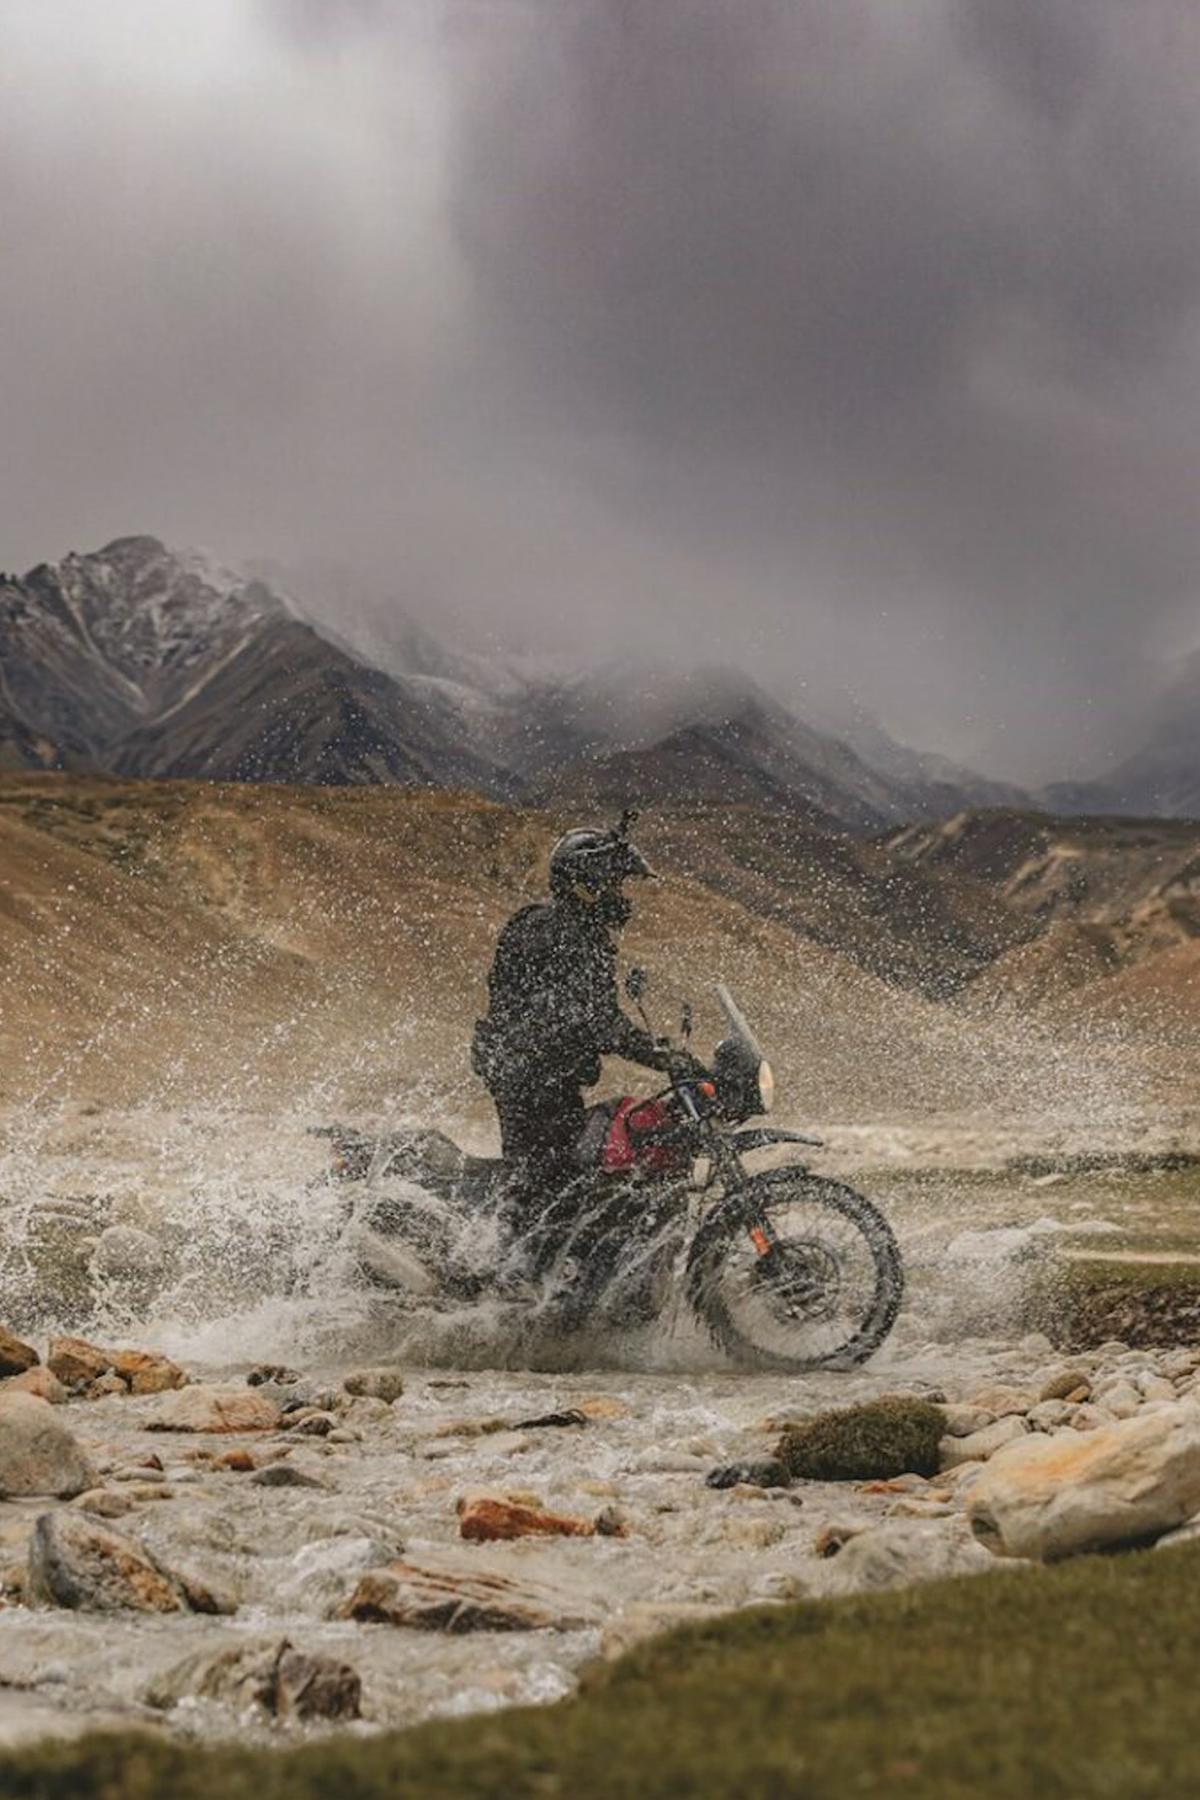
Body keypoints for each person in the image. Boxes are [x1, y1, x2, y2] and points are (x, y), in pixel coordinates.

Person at [472, 815, 679, 1214]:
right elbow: (596, 1019)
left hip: (542, 1073)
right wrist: (658, 1056)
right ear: (587, 884)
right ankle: (500, 1261)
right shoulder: (561, 932)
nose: (621, 895)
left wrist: (654, 1048)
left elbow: (590, 1015)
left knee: (576, 1169)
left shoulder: (567, 929)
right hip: (527, 1076)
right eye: (614, 883)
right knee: (546, 1182)